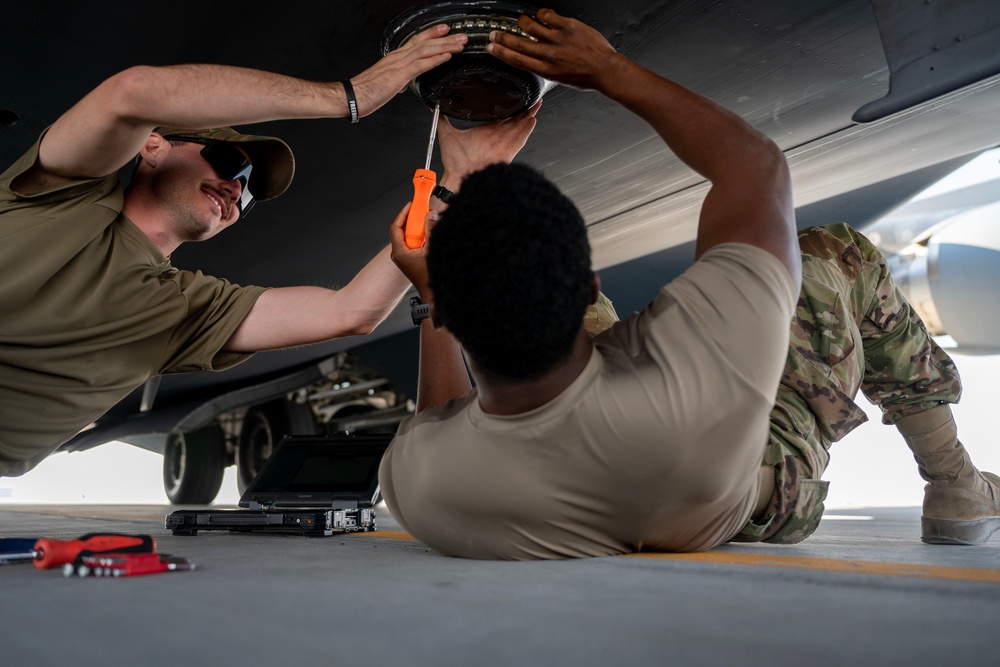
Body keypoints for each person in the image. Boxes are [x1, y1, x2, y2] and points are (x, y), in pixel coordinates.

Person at [381, 9, 1000, 559]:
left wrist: (452, 248)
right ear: (588, 282)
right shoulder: (696, 388)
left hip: (643, 470)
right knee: (834, 253)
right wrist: (607, 67)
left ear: (447, 311)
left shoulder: (428, 490)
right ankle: (954, 481)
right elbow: (754, 167)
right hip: (760, 485)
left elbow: (441, 422)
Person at [0, 24, 477, 478]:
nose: (235, 189)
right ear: (153, 146)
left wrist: (457, 187)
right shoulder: (59, 194)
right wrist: (348, 97)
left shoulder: (184, 312)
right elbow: (134, 94)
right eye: (228, 161)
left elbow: (350, 311)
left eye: (248, 192)